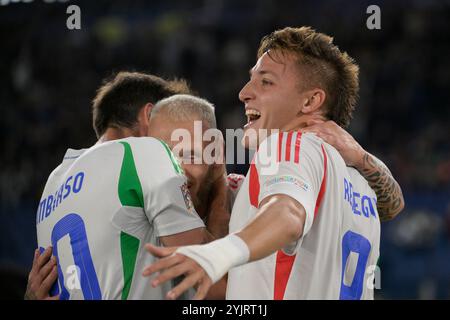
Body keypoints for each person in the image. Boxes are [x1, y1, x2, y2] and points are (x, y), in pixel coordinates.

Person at [143, 26, 404, 300]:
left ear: (311, 100)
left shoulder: (286, 145)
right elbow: (394, 203)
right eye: (251, 79)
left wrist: (219, 253)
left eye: (265, 82)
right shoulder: (361, 182)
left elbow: (288, 213)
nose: (244, 93)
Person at [31, 72, 225, 300]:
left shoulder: (54, 181)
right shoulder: (145, 153)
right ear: (150, 115)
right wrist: (219, 184)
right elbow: (212, 286)